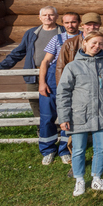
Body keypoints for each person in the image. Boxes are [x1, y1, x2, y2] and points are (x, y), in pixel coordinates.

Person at [57, 32, 103, 196]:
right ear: (85, 43)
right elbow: (63, 93)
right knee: (78, 149)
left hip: (101, 114)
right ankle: (80, 180)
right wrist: (63, 117)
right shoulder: (72, 67)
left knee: (100, 148)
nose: (97, 46)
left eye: (100, 44)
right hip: (79, 115)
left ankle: (97, 178)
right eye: (94, 42)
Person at [0, 6, 64, 116]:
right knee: (34, 101)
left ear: (56, 16)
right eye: (44, 15)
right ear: (40, 17)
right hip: (34, 73)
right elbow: (18, 53)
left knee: (56, 100)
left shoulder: (63, 32)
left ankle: (57, 129)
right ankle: (41, 128)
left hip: (56, 73)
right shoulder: (31, 33)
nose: (48, 17)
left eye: (51, 15)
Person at [32, 12, 80, 165]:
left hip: (74, 80)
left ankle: (65, 150)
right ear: (63, 24)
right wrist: (42, 83)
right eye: (67, 22)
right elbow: (45, 62)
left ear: (79, 23)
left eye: (73, 22)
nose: (70, 25)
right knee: (47, 116)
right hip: (53, 79)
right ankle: (48, 150)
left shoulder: (85, 39)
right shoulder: (57, 39)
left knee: (68, 116)